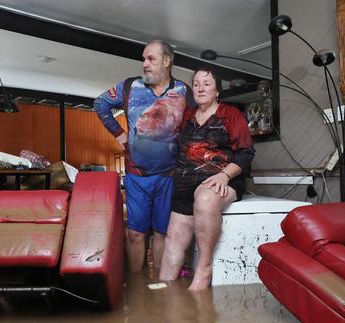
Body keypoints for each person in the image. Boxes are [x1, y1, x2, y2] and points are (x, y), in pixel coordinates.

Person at [94, 40, 194, 272]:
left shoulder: (183, 91)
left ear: (167, 61)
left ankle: (157, 288)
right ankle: (138, 288)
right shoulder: (129, 86)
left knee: (162, 232)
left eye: (151, 59)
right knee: (136, 233)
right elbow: (100, 104)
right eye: (143, 59)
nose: (145, 64)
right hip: (137, 175)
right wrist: (119, 134)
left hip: (169, 176)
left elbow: (194, 124)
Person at [160, 66, 255, 291]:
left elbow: (246, 152)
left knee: (204, 199)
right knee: (172, 240)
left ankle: (204, 267)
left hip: (221, 180)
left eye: (207, 83)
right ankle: (162, 294)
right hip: (184, 182)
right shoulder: (188, 116)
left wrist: (224, 175)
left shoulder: (230, 114)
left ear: (217, 91)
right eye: (196, 84)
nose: (200, 88)